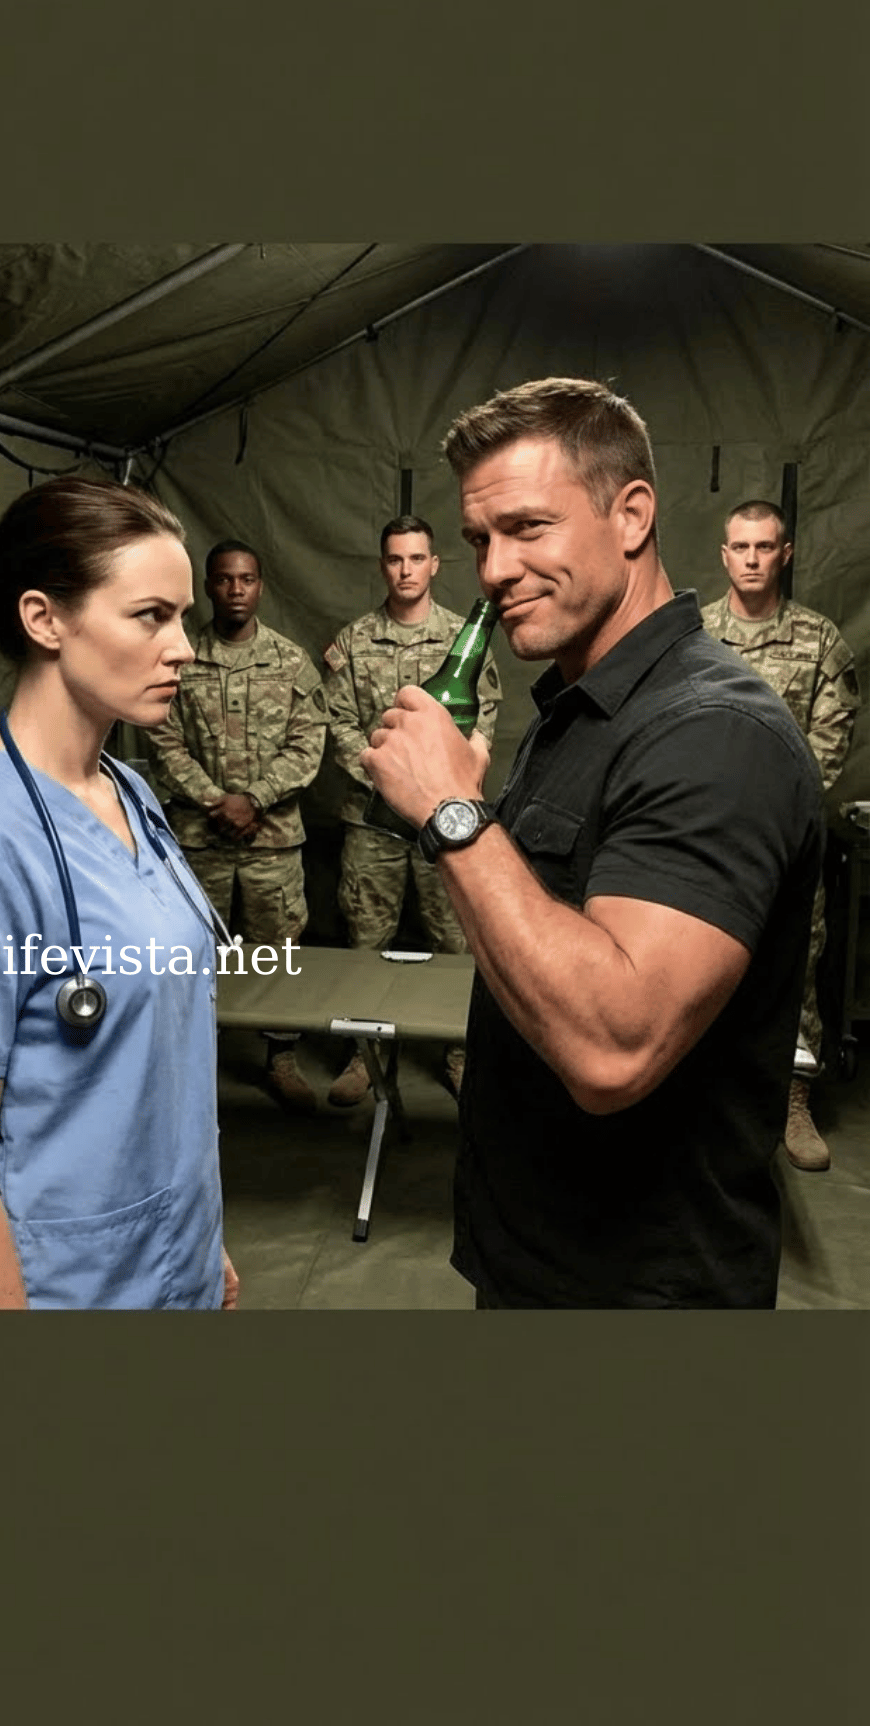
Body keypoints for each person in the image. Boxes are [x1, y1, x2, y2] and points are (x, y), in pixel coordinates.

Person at [361, 378, 824, 1309]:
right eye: (479, 540)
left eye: (528, 528)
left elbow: (615, 1047)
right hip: (535, 1261)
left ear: (632, 516)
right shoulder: (581, 710)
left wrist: (453, 813)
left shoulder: (714, 732)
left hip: (640, 1294)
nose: (494, 569)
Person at [0, 475, 238, 1310]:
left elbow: (153, 1066)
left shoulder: (129, 793)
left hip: (172, 1261)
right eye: (151, 615)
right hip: (62, 1293)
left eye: (182, 616)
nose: (183, 646)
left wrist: (200, 1241)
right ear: (44, 619)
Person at [702, 500, 861, 1170]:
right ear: (724, 555)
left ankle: (793, 1098)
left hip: (787, 841)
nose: (752, 559)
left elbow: (830, 740)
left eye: (764, 547)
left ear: (785, 554)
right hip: (706, 837)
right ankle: (704, 1100)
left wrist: (769, 812)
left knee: (795, 964)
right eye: (740, 547)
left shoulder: (820, 640)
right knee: (701, 963)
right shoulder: (695, 636)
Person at [322, 515, 500, 1106]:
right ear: (383, 565)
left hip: (442, 821)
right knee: (366, 940)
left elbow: (485, 718)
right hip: (371, 821)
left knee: (455, 940)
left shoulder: (461, 640)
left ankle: (460, 1053)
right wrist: (386, 774)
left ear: (434, 565)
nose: (406, 570)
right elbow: (337, 722)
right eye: (396, 559)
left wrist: (437, 783)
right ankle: (364, 1055)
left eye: (416, 558)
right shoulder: (354, 641)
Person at [146, 540, 328, 1110]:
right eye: (224, 579)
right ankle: (192, 1062)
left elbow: (308, 744)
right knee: (192, 952)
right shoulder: (179, 658)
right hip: (201, 842)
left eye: (246, 579)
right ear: (208, 587)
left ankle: (281, 1057)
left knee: (279, 954)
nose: (235, 590)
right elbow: (162, 740)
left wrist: (254, 799)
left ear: (260, 586)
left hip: (272, 842)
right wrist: (215, 802)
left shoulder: (290, 661)